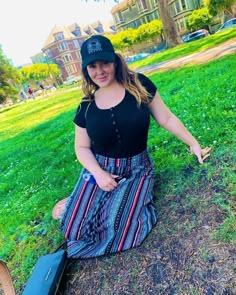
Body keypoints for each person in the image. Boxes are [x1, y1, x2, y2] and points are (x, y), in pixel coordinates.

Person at [52, 35, 211, 258]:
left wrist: (194, 143)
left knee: (122, 226)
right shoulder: (86, 106)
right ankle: (75, 200)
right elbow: (81, 147)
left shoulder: (138, 84)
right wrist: (98, 174)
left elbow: (166, 118)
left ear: (115, 61)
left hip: (136, 169)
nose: (100, 71)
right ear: (85, 70)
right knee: (72, 229)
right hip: (100, 170)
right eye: (93, 66)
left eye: (105, 63)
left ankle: (104, 199)